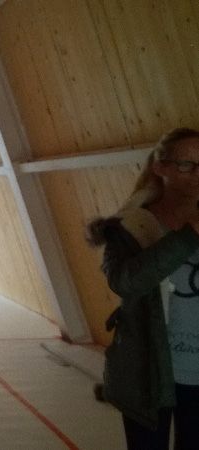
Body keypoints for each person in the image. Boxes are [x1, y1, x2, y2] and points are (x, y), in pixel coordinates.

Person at [88, 127, 199, 450]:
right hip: (149, 372)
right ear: (160, 167)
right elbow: (126, 282)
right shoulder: (130, 227)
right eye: (186, 164)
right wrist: (189, 235)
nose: (196, 174)